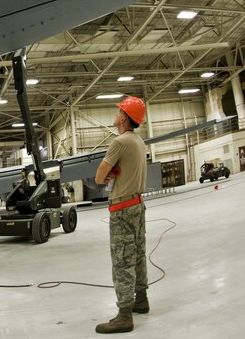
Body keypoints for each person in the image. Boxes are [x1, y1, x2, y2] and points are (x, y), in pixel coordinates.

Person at [93, 96, 149, 334]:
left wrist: (107, 174)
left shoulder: (119, 142)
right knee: (138, 254)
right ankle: (141, 299)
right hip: (137, 205)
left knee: (122, 260)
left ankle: (124, 315)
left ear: (124, 118)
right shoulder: (139, 142)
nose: (116, 115)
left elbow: (98, 177)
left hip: (122, 208)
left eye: (119, 112)